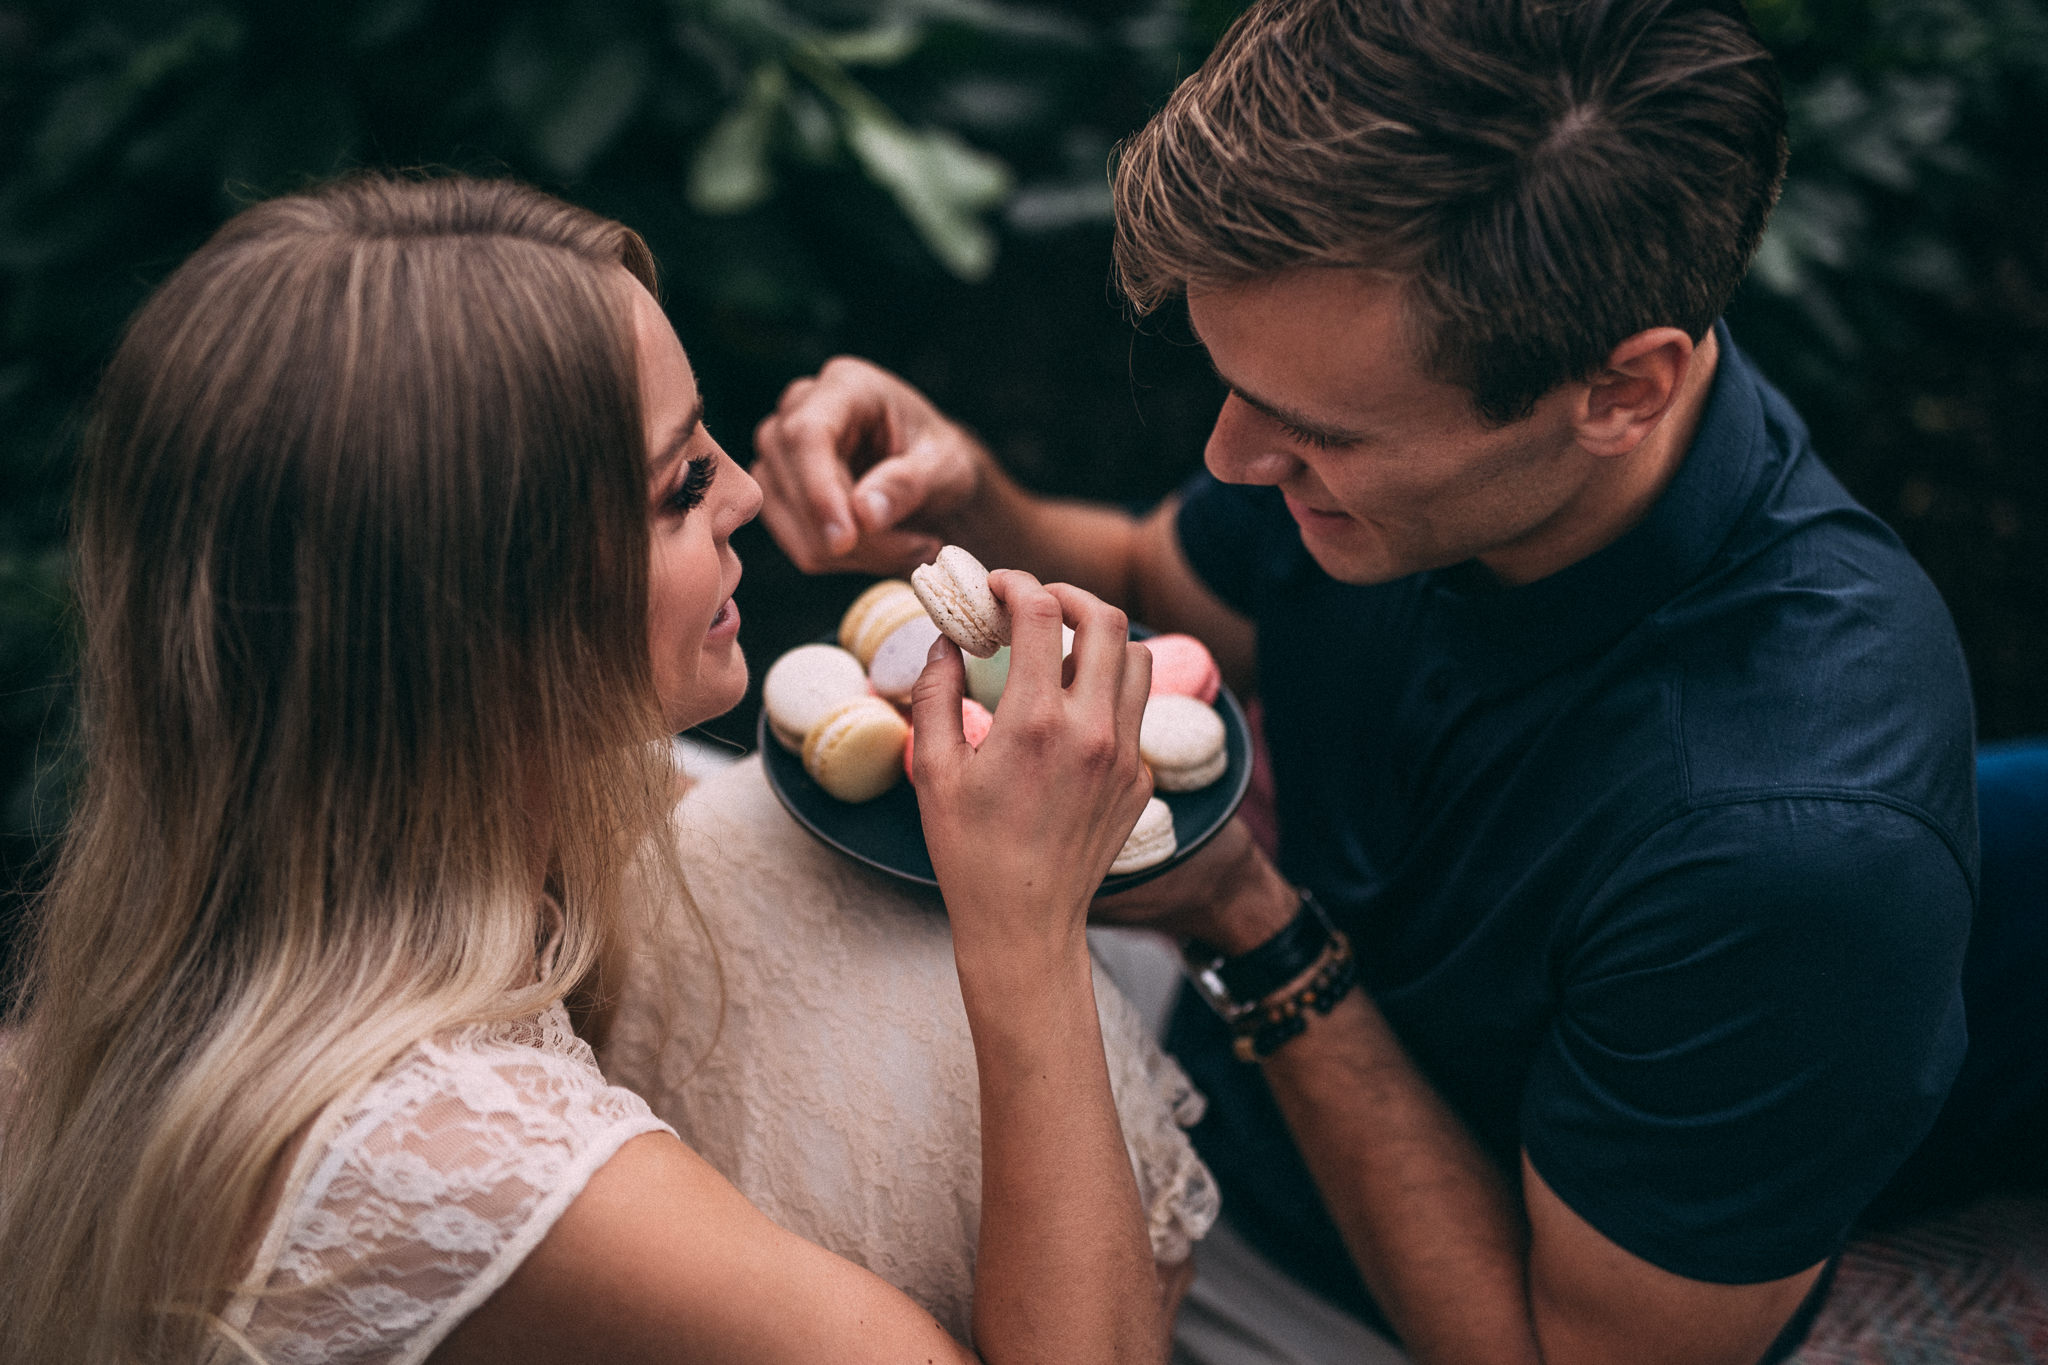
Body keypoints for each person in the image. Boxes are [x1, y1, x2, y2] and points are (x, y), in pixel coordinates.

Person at [748, 2, 1993, 1362]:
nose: (1230, 458)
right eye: (1228, 383)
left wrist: (1251, 924)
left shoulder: (1798, 850)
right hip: (1207, 1039)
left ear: (1623, 392)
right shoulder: (1418, 439)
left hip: (1366, 1300)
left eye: (1313, 429)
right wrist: (966, 502)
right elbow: (1168, 588)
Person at [0, 173, 1178, 1365]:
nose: (751, 494)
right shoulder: (477, 1170)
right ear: (476, 620)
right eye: (679, 486)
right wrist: (1024, 933)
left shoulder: (276, 880)